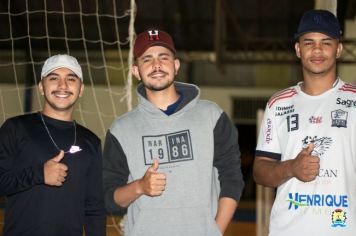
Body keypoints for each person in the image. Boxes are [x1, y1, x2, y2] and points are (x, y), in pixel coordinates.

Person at [103, 29, 244, 236]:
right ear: (136, 71)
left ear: (176, 66)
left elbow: (231, 177)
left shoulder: (211, 116)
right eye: (147, 59)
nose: (156, 65)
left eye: (163, 57)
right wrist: (139, 187)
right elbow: (108, 198)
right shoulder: (121, 129)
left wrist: (215, 231)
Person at [253, 9, 356, 236]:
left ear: (338, 49)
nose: (317, 50)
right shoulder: (278, 104)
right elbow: (260, 171)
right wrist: (291, 167)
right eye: (309, 42)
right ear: (298, 49)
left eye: (326, 42)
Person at [0, 54, 106, 236]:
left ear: (81, 89)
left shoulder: (91, 141)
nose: (62, 86)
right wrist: (39, 174)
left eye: (71, 79)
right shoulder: (15, 128)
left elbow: (94, 206)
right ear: (41, 87)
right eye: (54, 78)